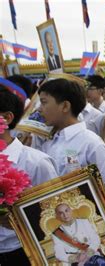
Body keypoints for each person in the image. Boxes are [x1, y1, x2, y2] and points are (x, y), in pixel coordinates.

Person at [0, 86, 58, 265]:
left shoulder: (36, 162)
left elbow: (56, 212)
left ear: (7, 118)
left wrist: (18, 219)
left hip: (26, 252)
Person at [34, 78, 105, 184]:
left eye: (44, 103)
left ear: (65, 106)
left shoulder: (91, 143)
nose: (39, 109)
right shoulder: (47, 142)